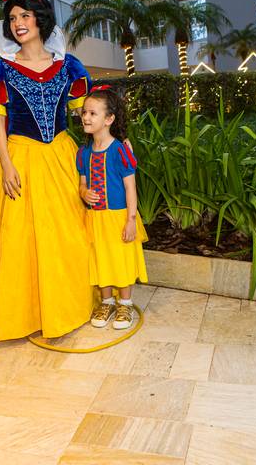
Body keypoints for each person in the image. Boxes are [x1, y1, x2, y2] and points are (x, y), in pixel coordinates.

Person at [0, 0, 93, 341]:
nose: (18, 23)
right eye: (12, 18)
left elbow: (86, 116)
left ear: (40, 20)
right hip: (20, 157)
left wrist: (103, 152)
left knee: (67, 235)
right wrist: (7, 165)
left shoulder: (68, 66)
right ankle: (24, 316)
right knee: (20, 242)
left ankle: (67, 307)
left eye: (24, 15)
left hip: (61, 156)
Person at [77, 87, 147, 330]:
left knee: (120, 259)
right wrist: (84, 193)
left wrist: (130, 220)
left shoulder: (120, 150)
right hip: (95, 219)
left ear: (109, 119)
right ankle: (106, 302)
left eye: (92, 113)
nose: (86, 117)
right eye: (84, 112)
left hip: (118, 217)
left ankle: (125, 304)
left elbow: (130, 187)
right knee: (101, 258)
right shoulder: (83, 152)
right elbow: (82, 184)